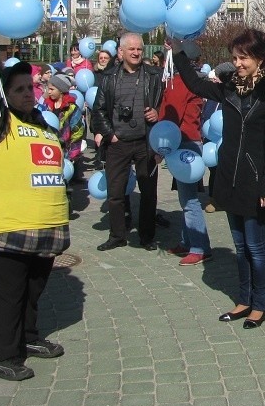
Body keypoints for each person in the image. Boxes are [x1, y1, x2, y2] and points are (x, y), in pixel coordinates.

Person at [171, 30, 265, 329]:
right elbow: (195, 83)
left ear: (260, 57)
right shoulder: (231, 87)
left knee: (256, 247)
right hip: (229, 176)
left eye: (243, 58)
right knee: (240, 245)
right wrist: (179, 51)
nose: (237, 63)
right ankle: (243, 300)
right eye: (234, 58)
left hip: (256, 179)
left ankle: (260, 306)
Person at [0, 40, 70, 381]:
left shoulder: (41, 123)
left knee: (31, 292)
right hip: (5, 230)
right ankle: (2, 357)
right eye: (19, 89)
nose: (28, 93)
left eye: (31, 87)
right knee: (6, 298)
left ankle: (28, 340)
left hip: (43, 231)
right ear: (5, 94)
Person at [92, 32, 164, 252]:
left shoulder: (154, 75)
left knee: (149, 193)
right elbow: (99, 110)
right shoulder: (109, 77)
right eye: (131, 49)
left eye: (139, 49)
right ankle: (117, 235)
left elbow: (166, 103)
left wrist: (157, 113)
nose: (136, 53)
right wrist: (110, 135)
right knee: (115, 193)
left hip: (146, 142)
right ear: (121, 52)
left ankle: (147, 237)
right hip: (118, 142)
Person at [161, 43, 213, 266]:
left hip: (183, 143)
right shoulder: (196, 82)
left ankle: (200, 246)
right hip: (190, 142)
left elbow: (171, 115)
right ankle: (186, 239)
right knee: (186, 196)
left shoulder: (180, 84)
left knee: (189, 199)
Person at [44, 74, 85, 163]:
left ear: (61, 90)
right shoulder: (46, 106)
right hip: (48, 150)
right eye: (48, 89)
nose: (49, 92)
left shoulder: (72, 108)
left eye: (52, 89)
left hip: (66, 152)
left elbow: (77, 132)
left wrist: (72, 155)